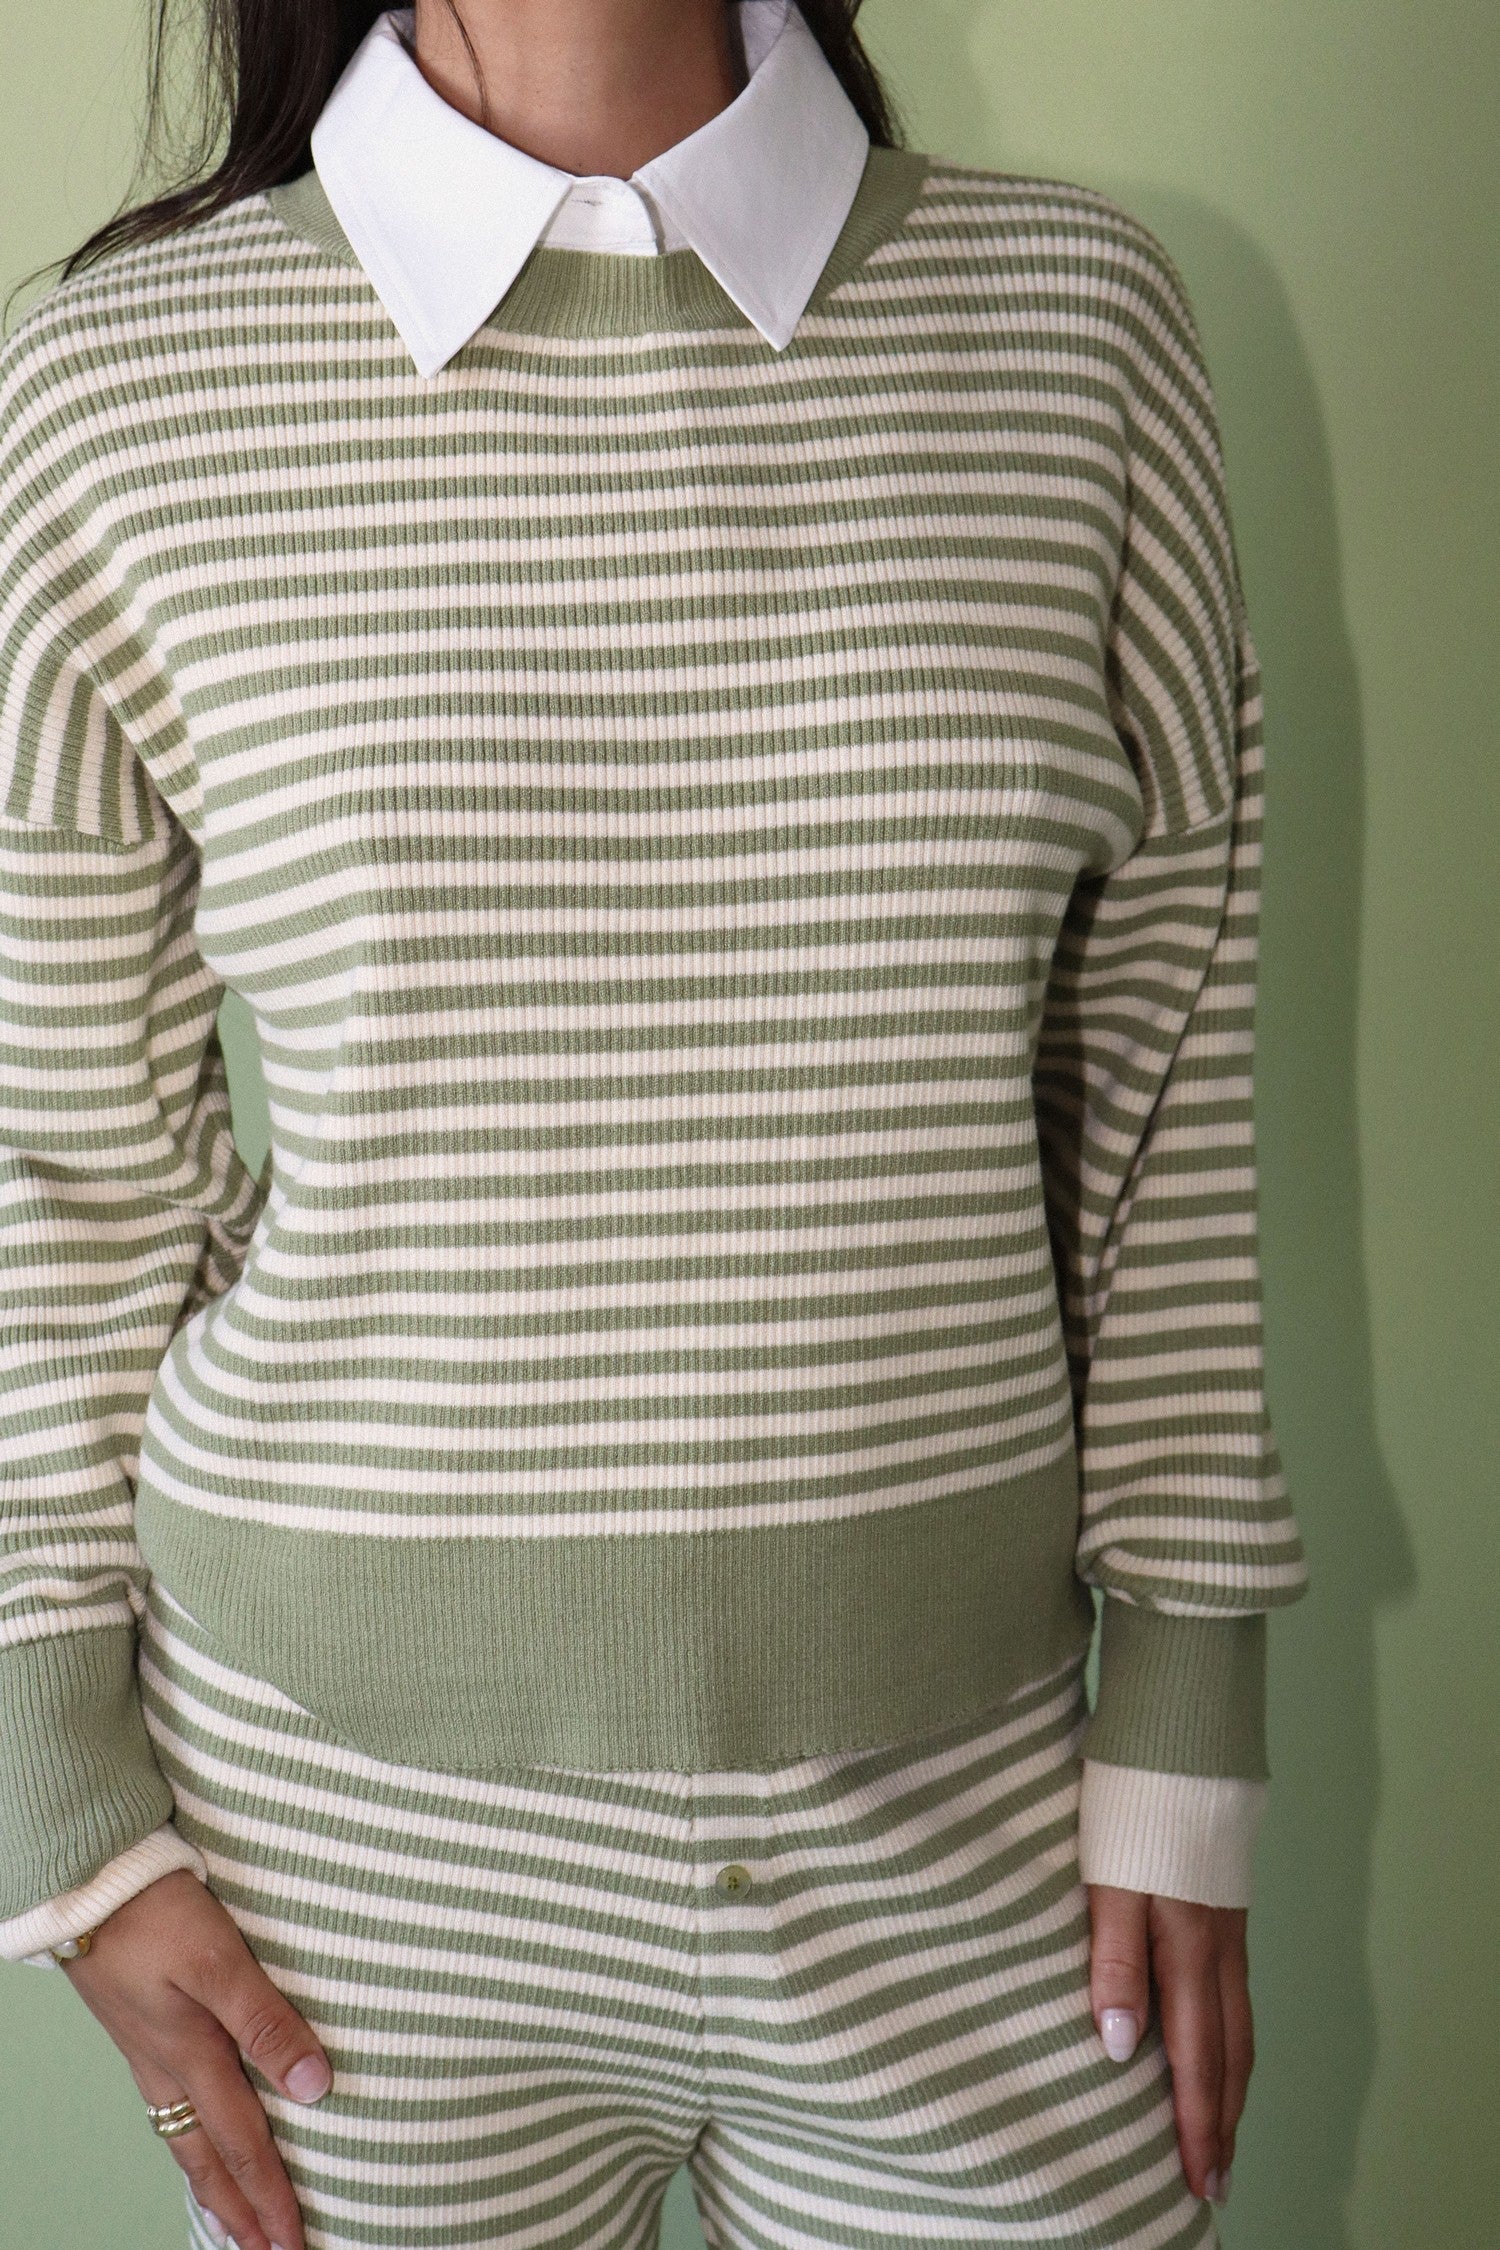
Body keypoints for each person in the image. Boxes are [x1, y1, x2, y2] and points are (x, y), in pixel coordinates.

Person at [0, 3, 1310, 2246]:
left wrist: (1187, 1703)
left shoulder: (1074, 323)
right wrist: (57, 1802)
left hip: (971, 1824)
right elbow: (58, 1167)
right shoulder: (116, 385)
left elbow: (1166, 1089)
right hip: (337, 1867)